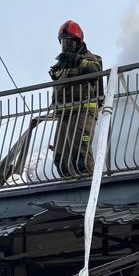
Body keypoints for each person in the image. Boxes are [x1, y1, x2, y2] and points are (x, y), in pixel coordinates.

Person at [49, 21, 103, 178]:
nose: (66, 46)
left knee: (80, 151)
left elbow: (94, 71)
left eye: (69, 42)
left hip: (83, 110)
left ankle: (87, 183)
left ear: (78, 42)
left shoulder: (90, 58)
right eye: (63, 42)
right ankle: (69, 187)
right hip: (64, 113)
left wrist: (77, 60)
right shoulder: (61, 65)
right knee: (60, 157)